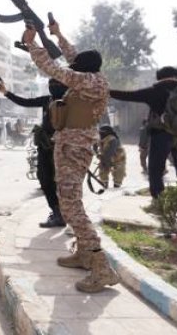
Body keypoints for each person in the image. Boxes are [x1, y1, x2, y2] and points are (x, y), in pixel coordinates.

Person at [23, 21, 120, 293]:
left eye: (78, 64)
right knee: (69, 202)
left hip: (73, 148)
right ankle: (84, 255)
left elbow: (54, 68)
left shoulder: (89, 81)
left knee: (71, 206)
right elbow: (73, 57)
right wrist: (57, 35)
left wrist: (32, 44)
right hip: (70, 145)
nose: (74, 64)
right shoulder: (91, 76)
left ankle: (101, 267)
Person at [110, 66, 177, 198]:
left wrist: (105, 91)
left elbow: (127, 95)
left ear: (158, 78)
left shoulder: (153, 91)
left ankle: (158, 199)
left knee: (156, 169)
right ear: (176, 76)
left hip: (161, 134)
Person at [0, 78, 68, 228]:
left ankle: (63, 213)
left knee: (61, 182)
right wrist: (6, 92)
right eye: (51, 84)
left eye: (56, 84)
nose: (53, 86)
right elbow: (25, 102)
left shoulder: (70, 101)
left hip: (62, 148)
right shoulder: (47, 100)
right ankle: (57, 212)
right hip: (46, 147)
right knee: (45, 179)